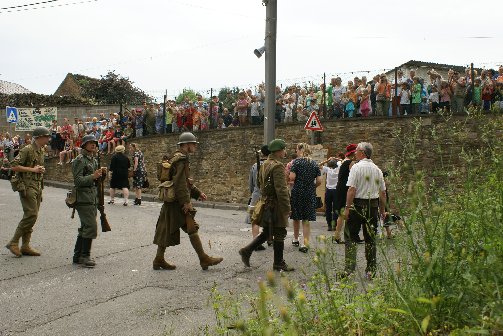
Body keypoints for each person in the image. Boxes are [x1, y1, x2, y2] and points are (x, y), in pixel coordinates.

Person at [152, 132, 223, 271]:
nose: (195, 146)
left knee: (166, 229)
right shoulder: (181, 159)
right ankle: (203, 258)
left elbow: (185, 182)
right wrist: (186, 202)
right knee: (191, 227)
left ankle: (158, 259)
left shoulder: (176, 157)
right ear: (185, 145)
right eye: (193, 144)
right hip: (178, 201)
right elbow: (179, 183)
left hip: (172, 200)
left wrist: (197, 193)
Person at [239, 139, 294, 272]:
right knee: (280, 232)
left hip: (266, 202)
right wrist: (287, 208)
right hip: (275, 204)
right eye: (284, 149)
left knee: (268, 231)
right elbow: (281, 189)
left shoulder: (264, 164)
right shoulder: (277, 166)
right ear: (279, 151)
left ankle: (247, 251)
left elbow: (258, 183)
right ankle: (278, 263)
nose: (285, 152)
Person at [342, 142, 386, 279]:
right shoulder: (377, 169)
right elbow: (383, 193)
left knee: (350, 237)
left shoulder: (356, 168)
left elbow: (351, 190)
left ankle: (349, 270)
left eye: (356, 151)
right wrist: (382, 211)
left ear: (362, 152)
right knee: (370, 239)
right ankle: (371, 270)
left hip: (357, 205)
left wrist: (347, 208)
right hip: (372, 206)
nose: (355, 153)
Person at [5, 127, 51, 257]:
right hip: (27, 186)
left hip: (37, 186)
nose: (48, 139)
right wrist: (33, 170)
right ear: (38, 137)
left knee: (33, 215)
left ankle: (25, 246)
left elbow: (36, 167)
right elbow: (13, 166)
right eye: (46, 136)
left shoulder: (41, 150)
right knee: (31, 214)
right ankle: (13, 242)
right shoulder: (27, 149)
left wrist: (40, 170)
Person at [71, 134, 106, 268]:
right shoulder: (80, 160)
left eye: (94, 143)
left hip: (92, 197)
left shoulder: (93, 159)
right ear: (84, 145)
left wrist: (100, 177)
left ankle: (78, 255)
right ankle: (85, 256)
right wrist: (93, 176)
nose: (93, 145)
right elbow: (78, 181)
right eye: (90, 143)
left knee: (85, 227)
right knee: (91, 226)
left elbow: (95, 181)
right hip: (83, 197)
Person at [289, 143, 322, 253]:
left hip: (297, 192)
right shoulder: (314, 163)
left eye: (297, 150)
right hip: (309, 193)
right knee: (306, 218)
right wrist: (312, 187)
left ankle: (295, 239)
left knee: (296, 216)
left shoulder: (296, 162)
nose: (296, 152)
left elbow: (292, 177)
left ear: (300, 150)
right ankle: (305, 243)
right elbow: (319, 181)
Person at [245, 145, 271, 251]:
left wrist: (253, 192)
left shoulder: (255, 165)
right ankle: (270, 239)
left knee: (255, 220)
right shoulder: (271, 165)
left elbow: (251, 183)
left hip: (256, 194)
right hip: (268, 195)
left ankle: (255, 241)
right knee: (269, 218)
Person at [333, 144, 358, 244]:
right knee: (346, 211)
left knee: (341, 212)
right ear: (353, 153)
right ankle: (342, 235)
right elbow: (354, 175)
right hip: (345, 188)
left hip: (340, 187)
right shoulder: (350, 162)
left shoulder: (343, 161)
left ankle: (337, 235)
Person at [319, 152, 344, 231]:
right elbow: (344, 161)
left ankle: (329, 225)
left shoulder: (328, 169)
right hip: (336, 190)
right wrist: (336, 159)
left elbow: (319, 165)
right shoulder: (338, 168)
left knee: (328, 209)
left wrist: (327, 160)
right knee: (336, 208)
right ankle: (334, 224)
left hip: (328, 191)